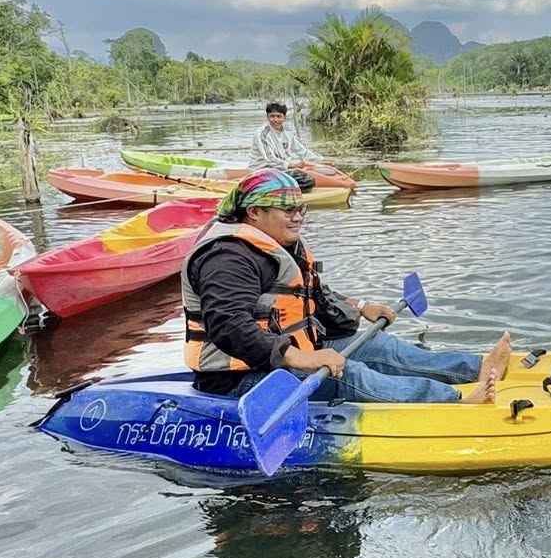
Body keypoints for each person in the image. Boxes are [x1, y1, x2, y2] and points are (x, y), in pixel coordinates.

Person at [183, 169, 510, 404]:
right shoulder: (227, 257)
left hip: (290, 352)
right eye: (289, 211)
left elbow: (310, 296)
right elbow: (228, 325)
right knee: (351, 375)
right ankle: (453, 401)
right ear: (254, 212)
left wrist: (361, 306)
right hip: (239, 378)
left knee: (382, 348)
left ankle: (477, 367)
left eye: (302, 209)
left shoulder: (279, 241)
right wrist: (300, 358)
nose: (299, 217)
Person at [248, 101, 322, 189]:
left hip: (279, 170)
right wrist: (292, 165)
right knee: (305, 179)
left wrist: (321, 160)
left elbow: (302, 150)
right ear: (267, 117)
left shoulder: (288, 132)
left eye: (279, 116)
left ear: (284, 118)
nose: (275, 120)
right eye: (272, 116)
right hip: (262, 171)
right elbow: (270, 159)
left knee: (307, 175)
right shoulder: (262, 134)